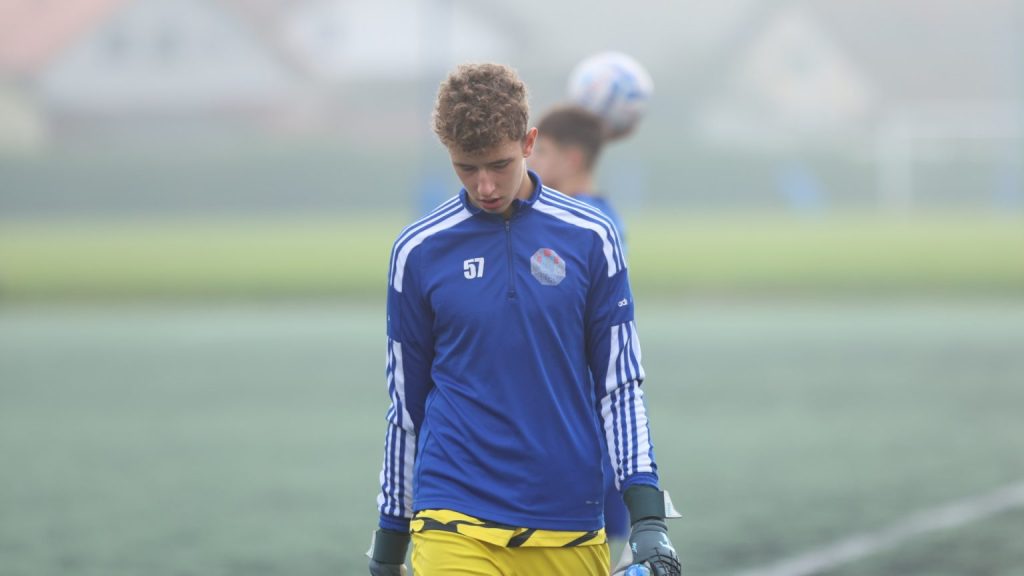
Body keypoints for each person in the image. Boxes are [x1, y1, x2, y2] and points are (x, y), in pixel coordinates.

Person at [367, 63, 681, 576]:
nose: (485, 185)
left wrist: (647, 516)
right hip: (452, 515)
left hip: (569, 519)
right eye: (466, 168)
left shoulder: (592, 237)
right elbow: (406, 405)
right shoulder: (418, 251)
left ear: (529, 142)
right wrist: (388, 543)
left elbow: (620, 384)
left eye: (499, 164)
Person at [529, 104, 633, 548]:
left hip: (580, 408)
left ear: (572, 159)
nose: (530, 160)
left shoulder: (585, 223)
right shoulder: (592, 214)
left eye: (542, 151)